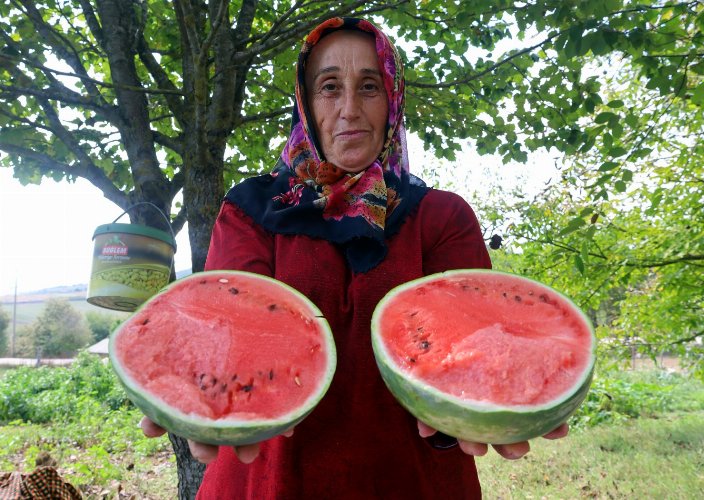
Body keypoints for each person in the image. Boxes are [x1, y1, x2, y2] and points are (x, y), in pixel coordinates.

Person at [141, 17, 568, 498]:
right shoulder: (252, 211)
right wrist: (185, 377)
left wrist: (492, 401)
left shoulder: (441, 217)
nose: (349, 108)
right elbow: (227, 332)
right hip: (266, 481)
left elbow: (472, 346)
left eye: (369, 86)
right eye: (329, 87)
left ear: (392, 100)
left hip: (411, 482)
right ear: (305, 102)